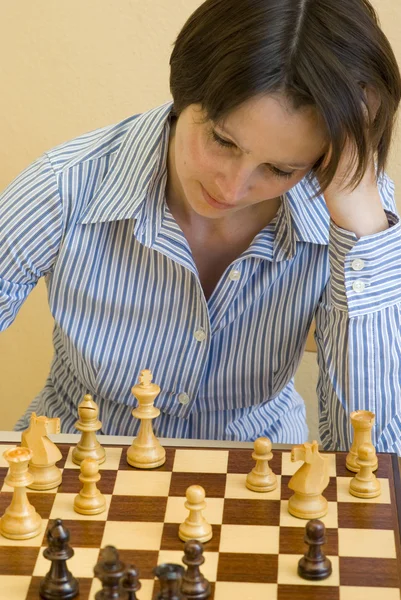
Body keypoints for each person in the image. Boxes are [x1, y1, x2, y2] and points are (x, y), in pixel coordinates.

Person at [1, 0, 401, 453]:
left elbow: (372, 462)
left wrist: (362, 227)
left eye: (280, 169)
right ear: (182, 91)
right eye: (221, 140)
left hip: (260, 483)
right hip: (79, 469)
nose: (231, 188)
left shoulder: (353, 214)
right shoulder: (65, 184)